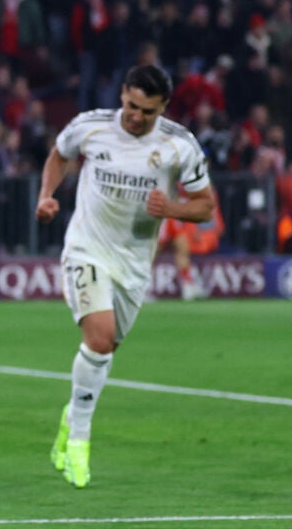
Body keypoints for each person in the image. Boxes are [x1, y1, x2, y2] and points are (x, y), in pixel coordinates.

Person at [35, 65, 215, 489]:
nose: (136, 117)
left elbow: (205, 206)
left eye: (147, 112)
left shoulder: (179, 145)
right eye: (131, 106)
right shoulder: (91, 127)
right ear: (122, 95)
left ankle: (71, 416)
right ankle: (79, 436)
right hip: (86, 248)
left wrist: (173, 210)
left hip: (133, 264)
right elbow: (59, 154)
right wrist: (47, 195)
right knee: (99, 337)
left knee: (107, 347)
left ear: (163, 108)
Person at [157, 187, 223, 300]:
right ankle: (138, 286)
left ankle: (187, 284)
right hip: (162, 213)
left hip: (172, 214)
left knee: (183, 248)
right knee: (152, 252)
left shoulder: (183, 178)